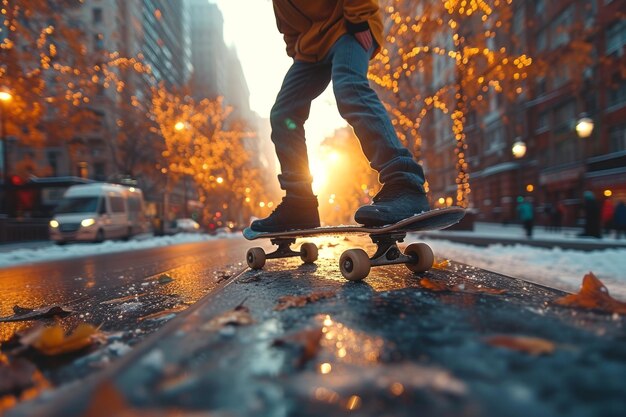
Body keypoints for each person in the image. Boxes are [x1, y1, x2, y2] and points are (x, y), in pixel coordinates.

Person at [250, 0, 429, 232]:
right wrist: (297, 52)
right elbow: (287, 27)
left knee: (349, 87)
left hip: (349, 24)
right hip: (310, 50)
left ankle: (405, 183)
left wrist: (359, 16)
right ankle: (299, 201)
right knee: (284, 112)